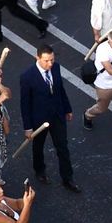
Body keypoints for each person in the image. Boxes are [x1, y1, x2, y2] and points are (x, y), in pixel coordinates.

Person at [19, 45, 79, 193]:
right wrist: (28, 127)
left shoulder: (56, 68)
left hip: (57, 115)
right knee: (38, 146)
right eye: (46, 61)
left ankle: (67, 178)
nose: (50, 64)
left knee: (62, 147)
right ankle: (39, 170)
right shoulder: (27, 76)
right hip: (39, 119)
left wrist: (67, 108)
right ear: (37, 58)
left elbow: (60, 89)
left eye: (52, 60)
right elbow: (25, 104)